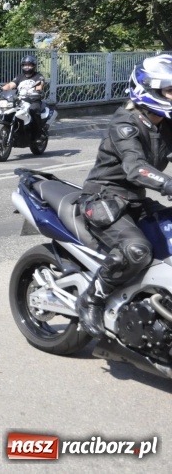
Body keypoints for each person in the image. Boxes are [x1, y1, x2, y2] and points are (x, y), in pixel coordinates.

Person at [76, 54, 172, 337]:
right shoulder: (125, 124)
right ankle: (91, 298)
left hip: (135, 200)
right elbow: (136, 169)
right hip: (104, 199)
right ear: (149, 90)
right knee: (136, 251)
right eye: (170, 90)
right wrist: (168, 185)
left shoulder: (165, 124)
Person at [0, 55, 45, 141]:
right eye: (25, 65)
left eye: (29, 65)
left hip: (33, 100)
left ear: (33, 65)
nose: (27, 67)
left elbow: (40, 84)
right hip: (20, 100)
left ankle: (38, 135)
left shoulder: (38, 76)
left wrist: (38, 88)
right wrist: (2, 89)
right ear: (22, 66)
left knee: (33, 110)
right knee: (9, 110)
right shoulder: (20, 77)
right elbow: (10, 85)